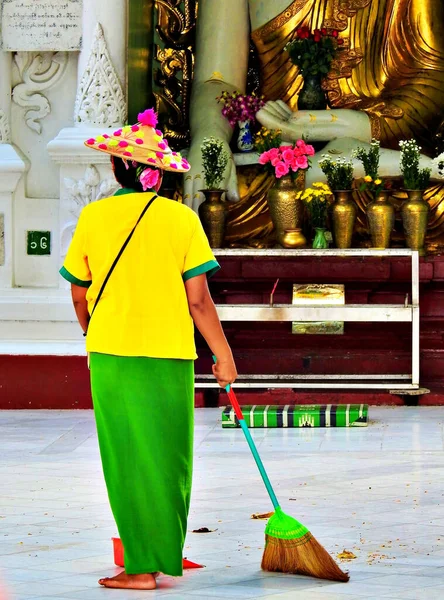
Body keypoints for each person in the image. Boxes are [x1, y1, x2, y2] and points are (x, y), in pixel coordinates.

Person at [60, 108, 237, 590]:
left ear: (118, 169)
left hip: (113, 355)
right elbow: (198, 300)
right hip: (170, 354)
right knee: (170, 457)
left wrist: (91, 330)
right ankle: (161, 554)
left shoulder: (94, 217)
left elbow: (79, 292)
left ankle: (139, 566)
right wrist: (223, 355)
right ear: (158, 175)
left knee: (126, 458)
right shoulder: (182, 220)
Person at [184, 0, 444, 245]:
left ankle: (343, 162)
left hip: (374, 156)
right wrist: (210, 137)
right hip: (275, 166)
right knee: (211, 199)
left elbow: (429, 85)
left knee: (429, 202)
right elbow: (217, 81)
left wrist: (320, 125)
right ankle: (336, 164)